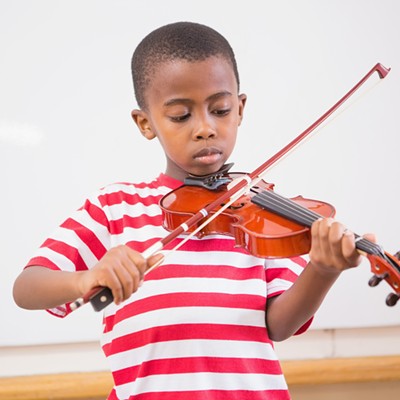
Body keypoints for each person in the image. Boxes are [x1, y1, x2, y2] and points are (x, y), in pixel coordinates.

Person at [13, 21, 371, 400]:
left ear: (240, 109)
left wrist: (324, 268)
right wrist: (85, 280)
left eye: (220, 109)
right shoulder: (114, 207)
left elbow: (279, 325)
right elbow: (28, 287)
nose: (205, 128)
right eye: (181, 116)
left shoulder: (266, 213)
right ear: (145, 123)